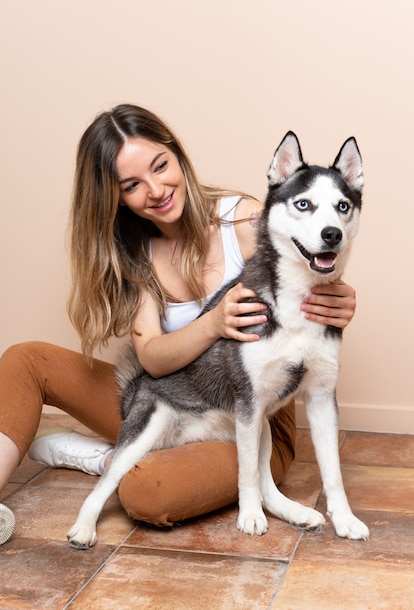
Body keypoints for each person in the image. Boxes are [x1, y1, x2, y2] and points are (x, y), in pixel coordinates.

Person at [0, 104, 357, 543]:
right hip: (173, 394)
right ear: (114, 197)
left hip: (249, 415)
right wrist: (213, 323)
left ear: (177, 155)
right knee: (26, 359)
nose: (155, 189)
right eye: (132, 184)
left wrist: (339, 294)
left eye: (160, 166)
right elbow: (151, 358)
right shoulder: (134, 255)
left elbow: (311, 260)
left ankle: (109, 460)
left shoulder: (242, 221)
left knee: (149, 491)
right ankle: (115, 455)